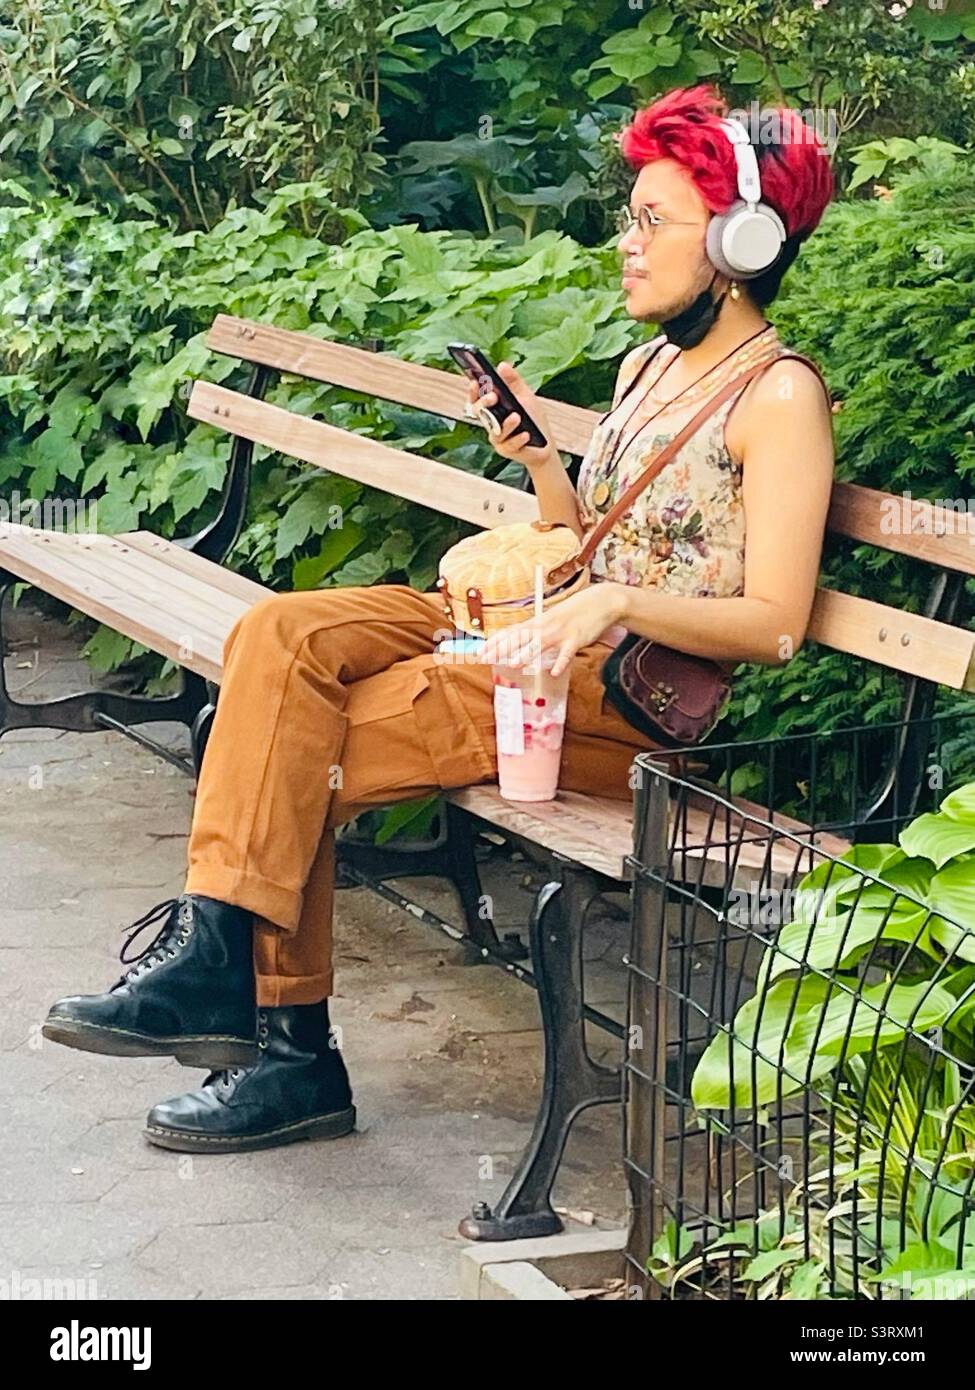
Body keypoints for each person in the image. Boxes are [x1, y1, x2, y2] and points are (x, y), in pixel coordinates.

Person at [42, 83, 836, 1153]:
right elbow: (590, 535)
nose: (626, 243)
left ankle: (286, 1051)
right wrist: (542, 466)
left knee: (295, 747)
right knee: (279, 637)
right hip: (537, 629)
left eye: (654, 220)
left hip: (620, 702)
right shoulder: (650, 363)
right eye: (630, 215)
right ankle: (222, 963)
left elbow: (777, 620)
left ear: (742, 240)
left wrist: (608, 601)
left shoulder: (779, 395)